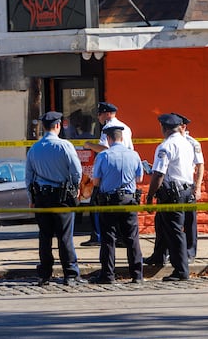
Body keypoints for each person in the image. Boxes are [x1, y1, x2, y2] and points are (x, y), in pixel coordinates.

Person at [25, 111, 85, 286]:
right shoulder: (65, 146)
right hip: (61, 196)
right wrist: (75, 188)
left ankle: (44, 273)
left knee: (45, 236)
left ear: (43, 127)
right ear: (58, 126)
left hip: (42, 197)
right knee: (64, 236)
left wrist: (31, 197)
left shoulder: (34, 148)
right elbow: (76, 171)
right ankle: (70, 274)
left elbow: (28, 177)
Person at [145, 113, 204, 265]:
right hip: (183, 189)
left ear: (163, 128)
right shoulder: (186, 144)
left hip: (174, 192)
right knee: (162, 224)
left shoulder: (167, 145)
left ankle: (181, 266)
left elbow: (159, 174)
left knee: (175, 229)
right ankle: (160, 255)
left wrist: (150, 196)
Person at [91, 125, 145, 284]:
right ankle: (137, 275)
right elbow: (139, 179)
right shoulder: (134, 155)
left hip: (109, 201)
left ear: (108, 139)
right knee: (132, 238)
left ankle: (108, 275)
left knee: (108, 238)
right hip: (129, 200)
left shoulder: (103, 156)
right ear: (122, 138)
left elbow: (95, 181)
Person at [81, 101, 134, 248]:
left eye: (100, 113)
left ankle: (98, 236)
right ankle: (122, 237)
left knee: (96, 204)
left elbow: (105, 148)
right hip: (123, 171)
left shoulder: (109, 127)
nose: (98, 117)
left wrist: (89, 145)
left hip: (108, 171)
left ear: (107, 114)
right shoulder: (126, 127)